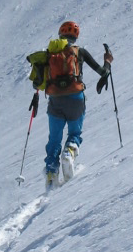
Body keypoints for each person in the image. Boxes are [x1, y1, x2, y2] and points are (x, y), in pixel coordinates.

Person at [31, 20, 112, 186]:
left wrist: (37, 93)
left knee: (54, 140)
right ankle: (69, 152)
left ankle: (51, 173)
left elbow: (37, 82)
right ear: (75, 37)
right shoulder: (79, 52)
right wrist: (108, 61)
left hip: (55, 101)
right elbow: (102, 72)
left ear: (60, 34)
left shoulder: (50, 54)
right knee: (75, 133)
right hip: (76, 99)